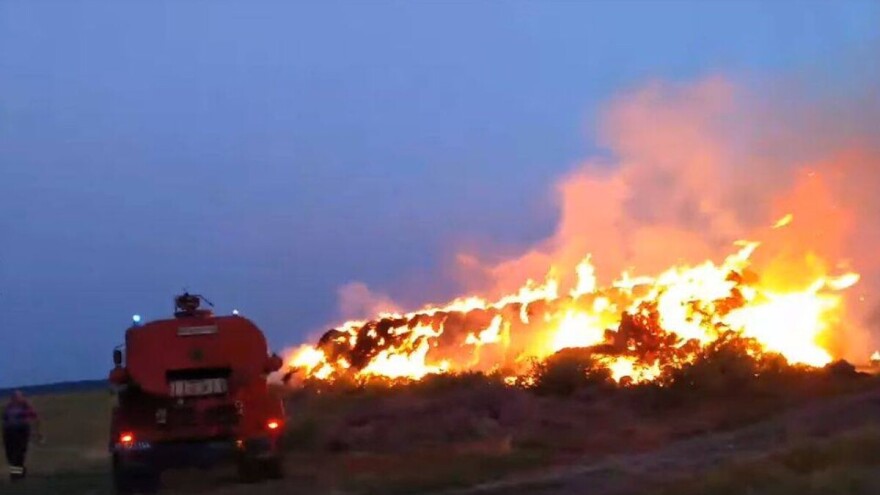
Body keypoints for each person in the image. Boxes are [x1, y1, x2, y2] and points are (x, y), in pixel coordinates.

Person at [2, 390, 41, 482]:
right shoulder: (8, 408)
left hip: (21, 432)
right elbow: (4, 420)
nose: (15, 399)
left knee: (19, 454)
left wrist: (37, 432)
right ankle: (19, 472)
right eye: (14, 397)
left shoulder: (26, 407)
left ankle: (16, 475)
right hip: (9, 433)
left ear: (22, 398)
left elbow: (35, 418)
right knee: (10, 455)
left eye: (18, 397)